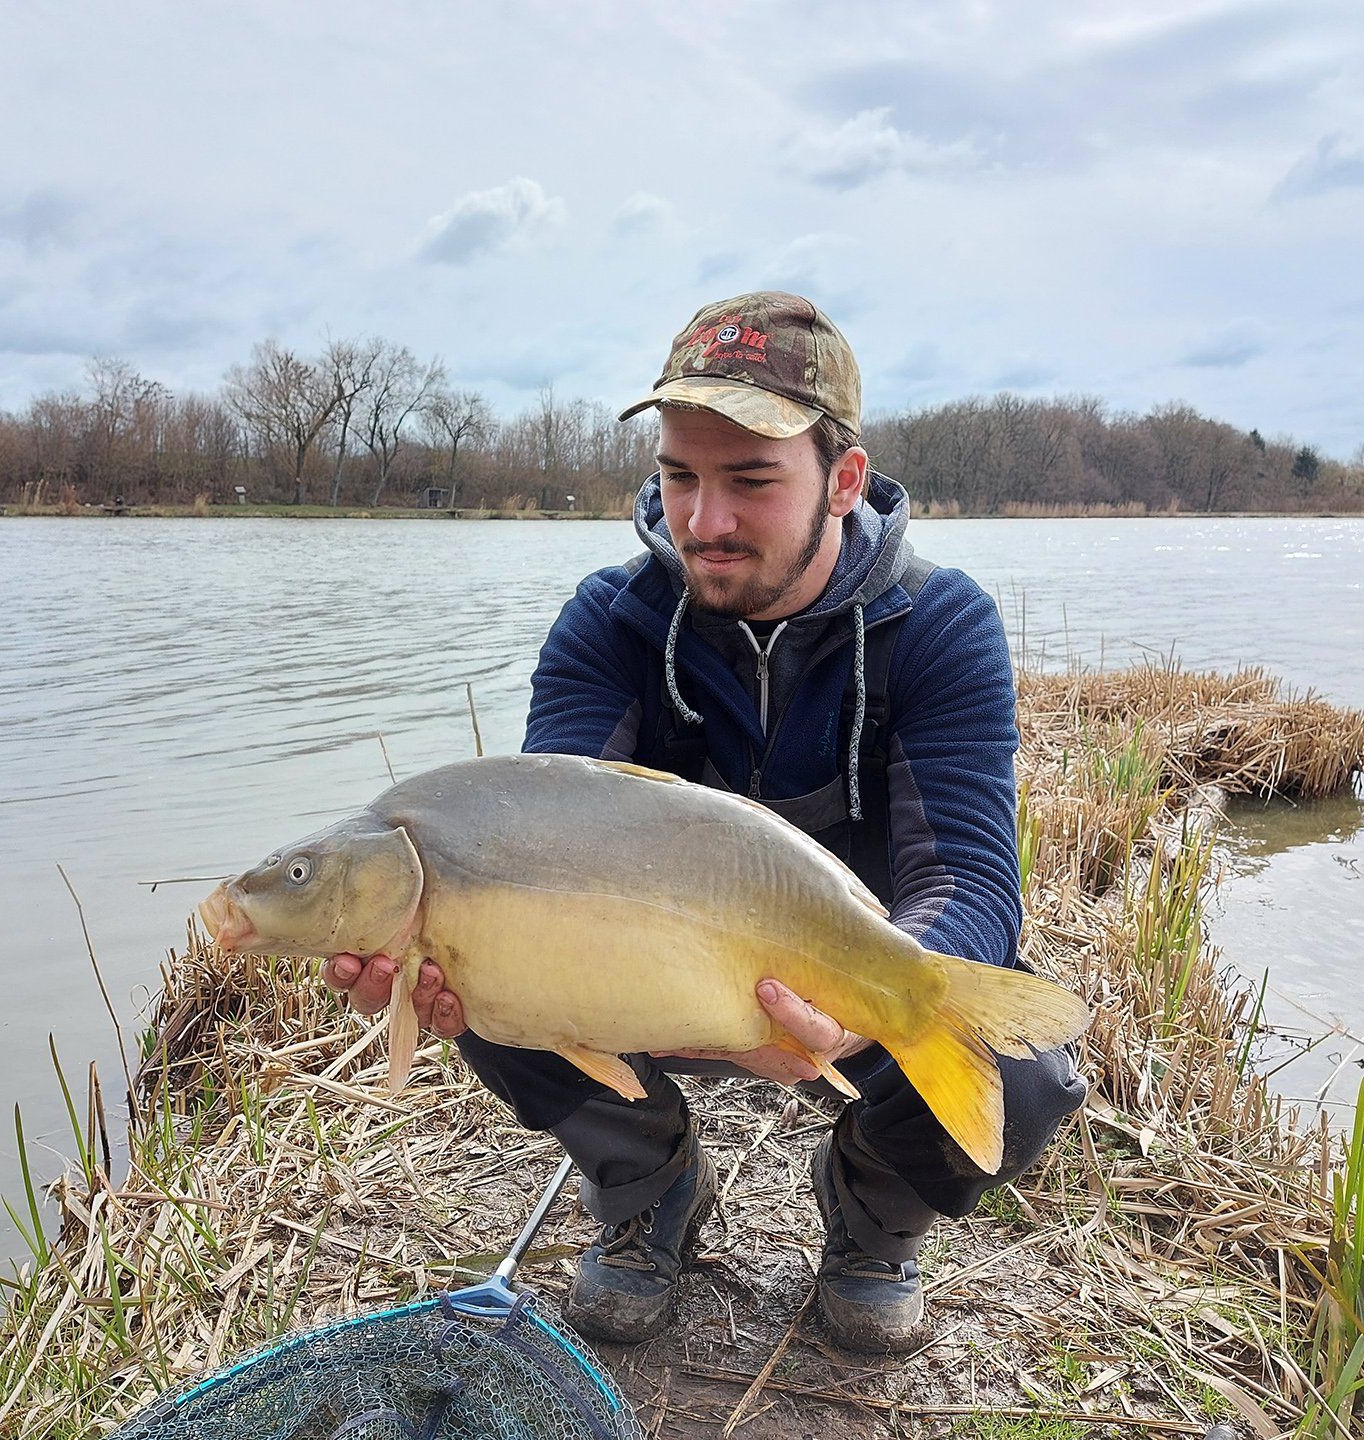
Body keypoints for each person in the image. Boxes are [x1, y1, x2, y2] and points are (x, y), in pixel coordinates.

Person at [324, 292, 1087, 1352]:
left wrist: (853, 1011)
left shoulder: (939, 626)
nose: (705, 521)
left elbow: (971, 886)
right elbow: (529, 839)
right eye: (679, 477)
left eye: (751, 481)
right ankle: (651, 1184)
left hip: (835, 983)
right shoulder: (613, 620)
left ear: (845, 480)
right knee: (477, 964)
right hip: (654, 984)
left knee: (1024, 1073)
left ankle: (872, 1220)